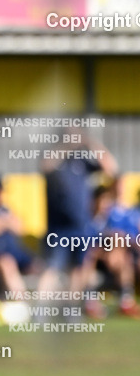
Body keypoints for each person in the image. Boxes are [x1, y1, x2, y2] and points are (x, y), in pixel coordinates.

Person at [37, 130, 117, 302]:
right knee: (52, 268)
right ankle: (41, 308)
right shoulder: (56, 158)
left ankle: (71, 309)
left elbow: (111, 169)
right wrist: (68, 144)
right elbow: (45, 166)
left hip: (81, 226)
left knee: (78, 269)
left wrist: (91, 142)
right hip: (58, 229)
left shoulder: (82, 162)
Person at [80, 179, 140, 318]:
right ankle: (90, 301)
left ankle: (126, 302)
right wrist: (103, 254)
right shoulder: (86, 221)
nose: (106, 205)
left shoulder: (109, 220)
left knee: (122, 255)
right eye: (103, 201)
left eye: (108, 202)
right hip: (92, 262)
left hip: (112, 261)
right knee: (89, 257)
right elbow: (86, 247)